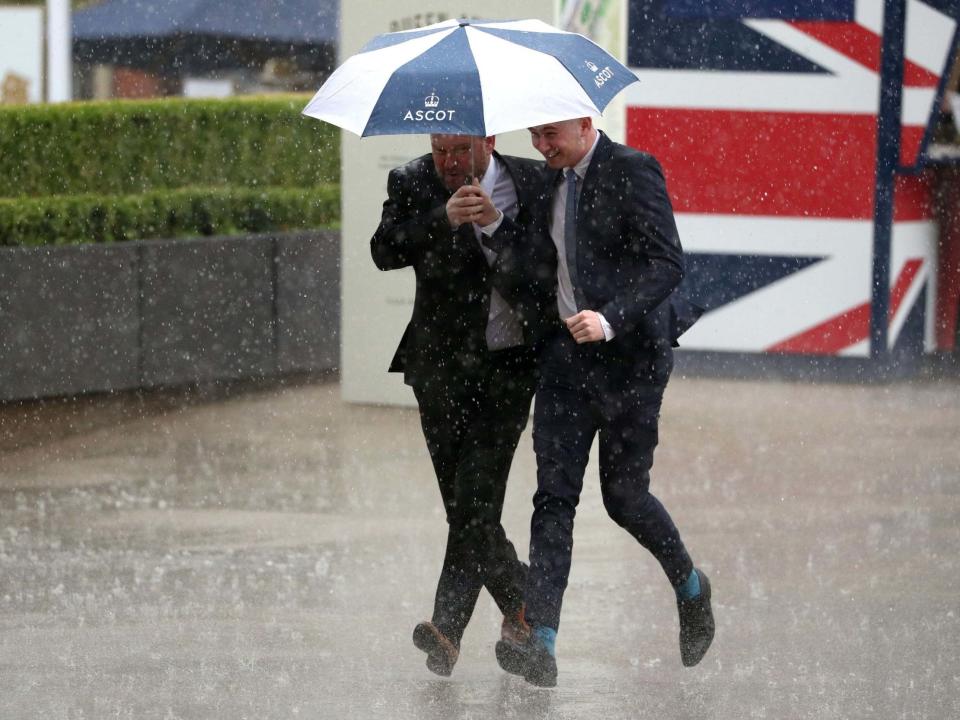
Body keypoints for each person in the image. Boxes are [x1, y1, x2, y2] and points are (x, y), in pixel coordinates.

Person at [494, 117, 715, 687]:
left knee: (624, 498)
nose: (541, 147)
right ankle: (541, 641)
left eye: (551, 135)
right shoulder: (545, 179)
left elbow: (668, 263)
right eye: (534, 137)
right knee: (553, 500)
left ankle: (690, 585)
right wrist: (493, 223)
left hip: (631, 364)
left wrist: (611, 318)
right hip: (565, 364)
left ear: (585, 124)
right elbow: (530, 256)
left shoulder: (633, 170)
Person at [370, 134, 552, 676]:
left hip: (509, 368)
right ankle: (518, 605)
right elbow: (383, 251)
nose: (448, 162)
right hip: (440, 371)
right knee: (466, 506)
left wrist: (497, 225)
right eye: (440, 150)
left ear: (489, 141)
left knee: (473, 501)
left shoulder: (533, 181)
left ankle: (450, 626)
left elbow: (547, 264)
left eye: (460, 151)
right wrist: (441, 219)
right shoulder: (410, 180)